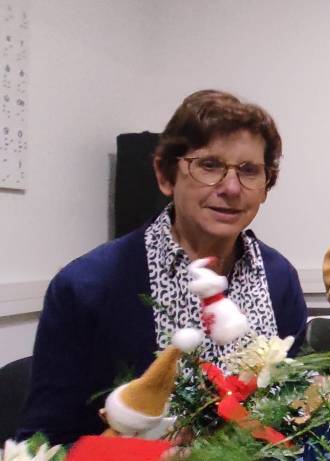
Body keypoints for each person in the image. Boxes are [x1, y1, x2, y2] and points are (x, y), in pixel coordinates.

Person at [17, 90, 308, 444]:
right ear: (165, 175)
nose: (231, 188)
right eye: (209, 165)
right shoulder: (87, 286)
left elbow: (291, 416)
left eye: (249, 170)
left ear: (265, 186)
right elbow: (45, 441)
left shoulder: (279, 279)